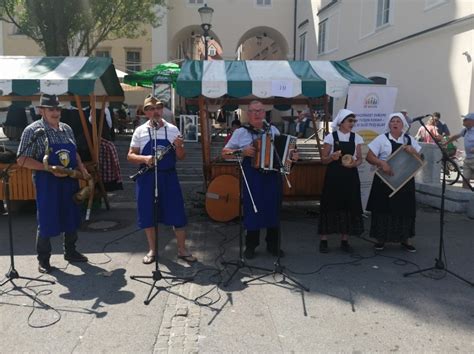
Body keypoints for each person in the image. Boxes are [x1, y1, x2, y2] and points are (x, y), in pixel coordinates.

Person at [16, 94, 90, 273]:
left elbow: (75, 153)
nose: (56, 112)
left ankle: (70, 252)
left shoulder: (66, 129)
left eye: (58, 109)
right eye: (51, 109)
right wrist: (47, 168)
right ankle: (44, 260)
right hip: (47, 181)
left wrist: (82, 168)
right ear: (42, 110)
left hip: (70, 179)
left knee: (71, 215)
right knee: (47, 218)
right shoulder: (33, 130)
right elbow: (21, 160)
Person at [222, 100, 298, 259]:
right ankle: (251, 245)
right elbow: (225, 152)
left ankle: (273, 245)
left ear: (265, 113)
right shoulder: (241, 132)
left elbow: (283, 154)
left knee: (273, 209)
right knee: (253, 210)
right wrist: (242, 151)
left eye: (260, 111)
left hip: (272, 176)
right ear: (248, 114)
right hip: (253, 176)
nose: (257, 114)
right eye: (253, 111)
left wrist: (292, 157)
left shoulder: (273, 130)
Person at [127, 95, 196, 264]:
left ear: (162, 109)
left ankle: (182, 249)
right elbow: (130, 155)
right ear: (146, 112)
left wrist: (179, 146)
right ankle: (153, 250)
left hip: (168, 176)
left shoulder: (173, 129)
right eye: (151, 109)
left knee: (177, 212)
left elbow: (181, 157)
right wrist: (144, 159)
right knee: (148, 213)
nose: (155, 111)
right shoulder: (140, 130)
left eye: (158, 107)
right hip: (147, 177)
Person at [366, 112, 422, 252]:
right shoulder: (381, 139)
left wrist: (413, 151)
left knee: (405, 209)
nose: (395, 123)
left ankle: (405, 239)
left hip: (405, 181)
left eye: (398, 121)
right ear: (389, 124)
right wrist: (381, 162)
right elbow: (369, 157)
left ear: (403, 125)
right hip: (384, 181)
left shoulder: (409, 139)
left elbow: (420, 157)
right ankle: (381, 239)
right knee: (383, 209)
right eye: (393, 121)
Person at [318, 109, 364, 253]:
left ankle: (345, 240)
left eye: (354, 121)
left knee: (348, 205)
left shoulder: (356, 138)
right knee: (329, 204)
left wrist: (354, 164)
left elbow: (360, 158)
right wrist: (332, 157)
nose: (352, 124)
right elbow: (323, 159)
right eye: (350, 121)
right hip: (334, 177)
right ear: (342, 122)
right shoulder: (331, 137)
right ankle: (324, 241)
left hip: (350, 176)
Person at [444, 113, 474, 189]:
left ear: (471, 121)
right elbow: (456, 136)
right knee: (465, 179)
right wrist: (446, 142)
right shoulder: (465, 130)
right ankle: (466, 195)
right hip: (468, 159)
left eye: (465, 119)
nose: (463, 121)